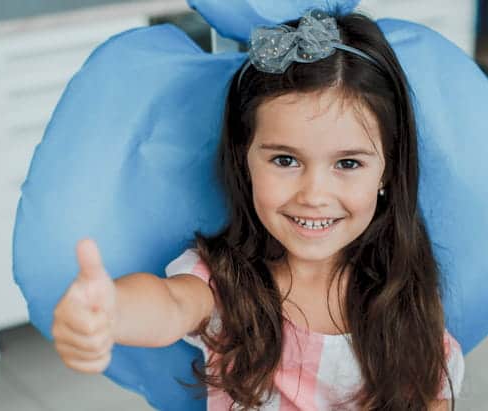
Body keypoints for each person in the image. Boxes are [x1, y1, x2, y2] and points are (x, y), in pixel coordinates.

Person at [51, 9, 464, 411]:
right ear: (244, 160)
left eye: (348, 163)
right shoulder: (225, 282)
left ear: (388, 170)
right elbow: (170, 305)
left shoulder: (407, 295)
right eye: (285, 160)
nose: (314, 194)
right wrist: (108, 311)